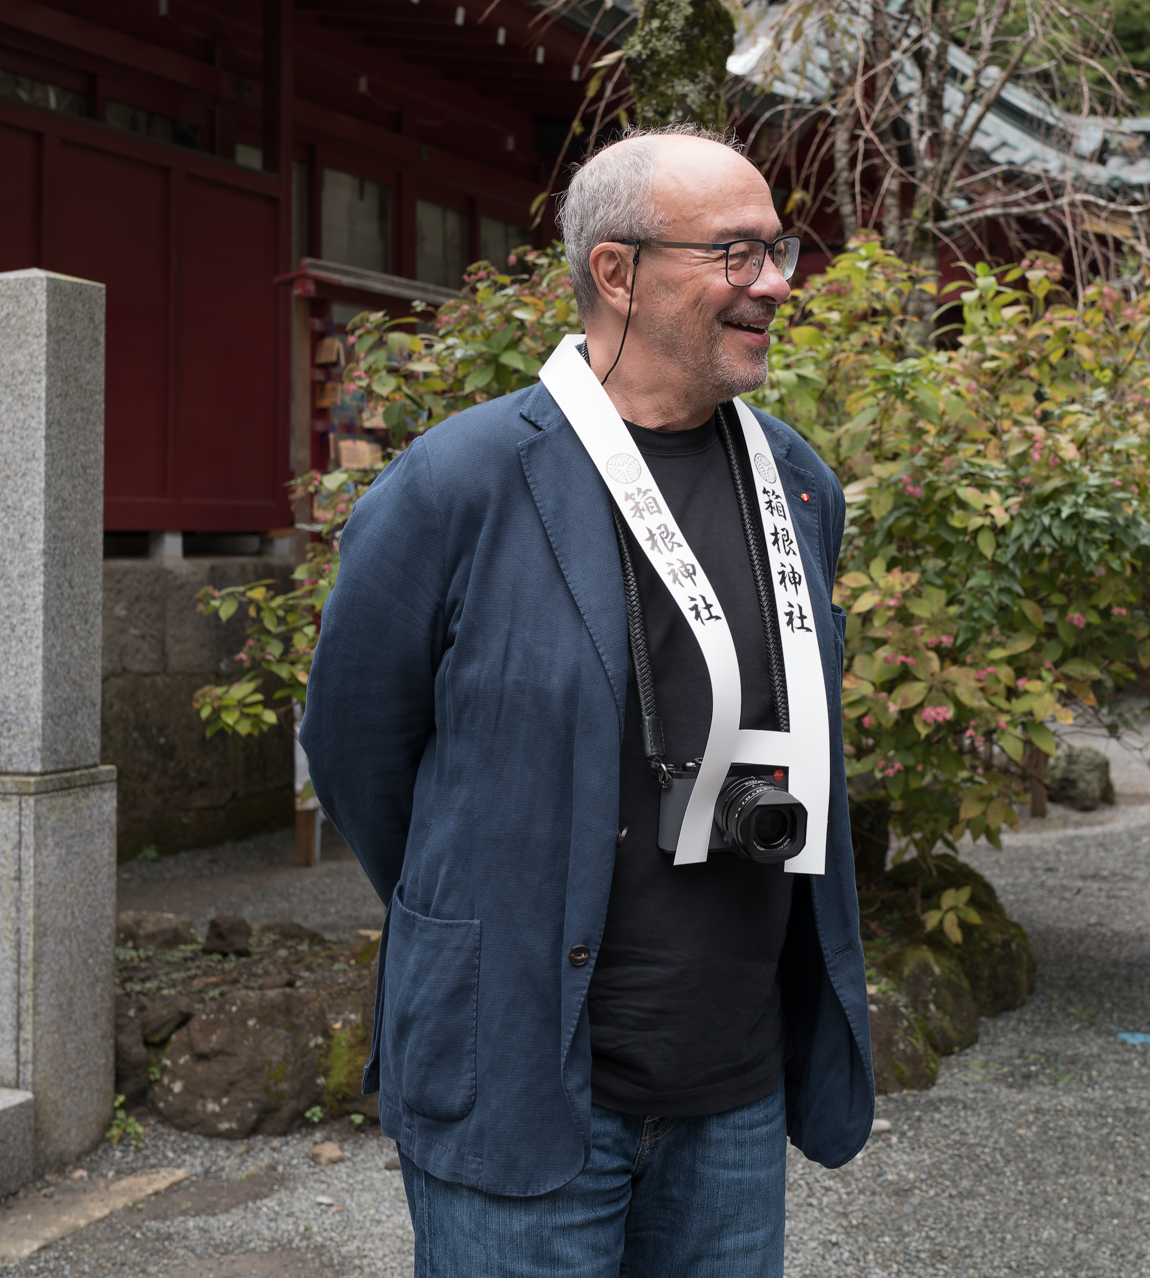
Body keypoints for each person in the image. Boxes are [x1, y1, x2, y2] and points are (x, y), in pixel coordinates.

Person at [301, 125, 873, 1278]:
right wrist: (483, 897)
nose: (773, 284)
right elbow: (356, 744)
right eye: (735, 254)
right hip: (521, 1067)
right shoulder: (460, 483)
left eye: (779, 252)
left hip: (731, 1083)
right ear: (615, 273)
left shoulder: (797, 485)